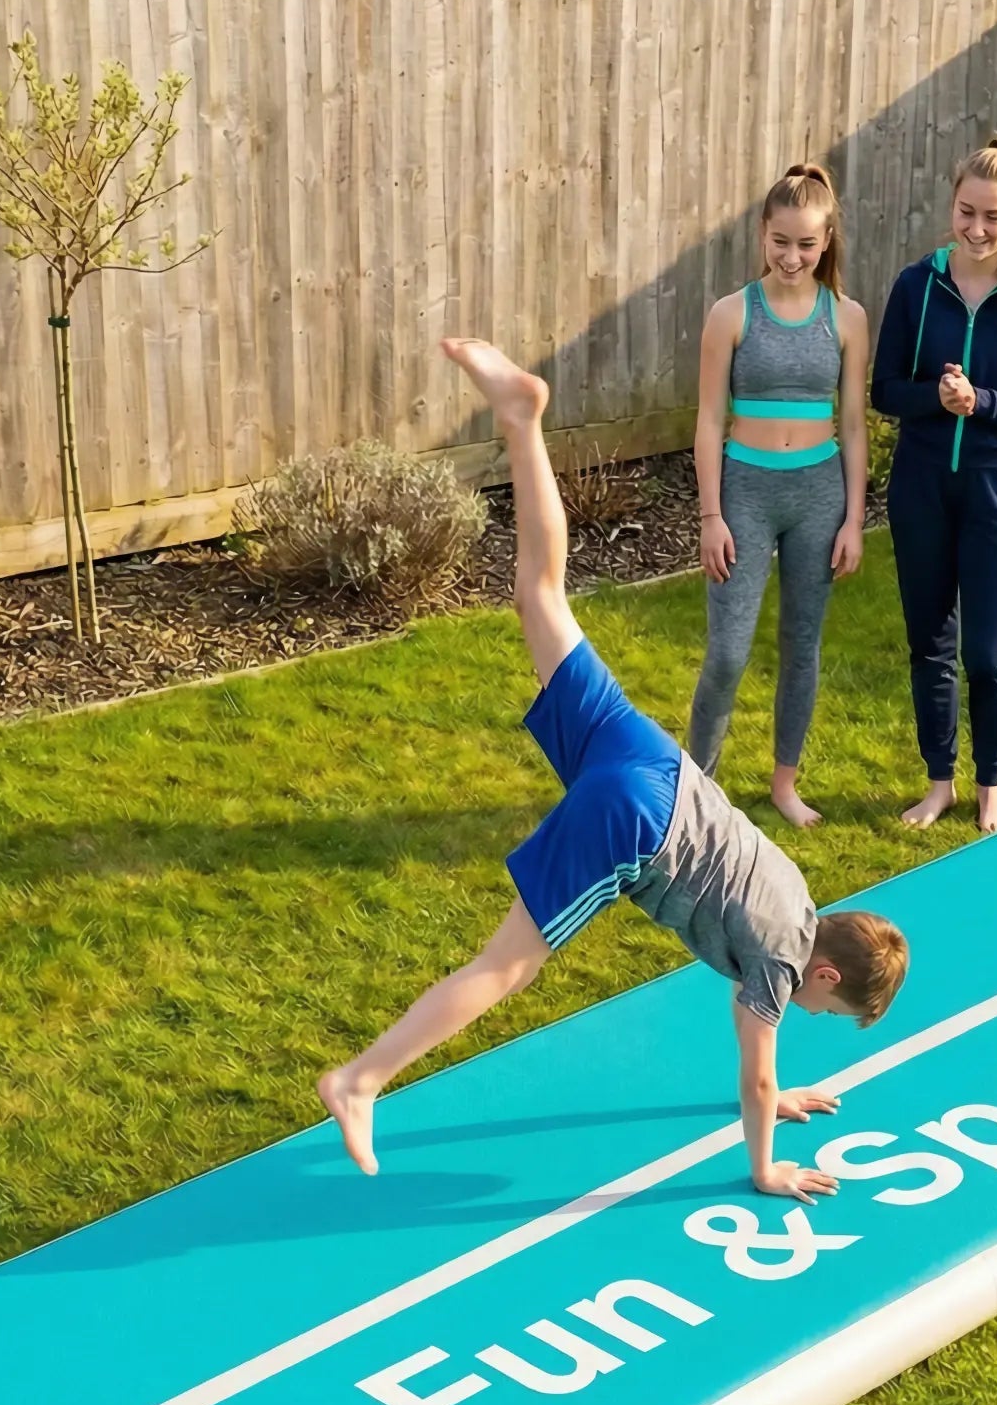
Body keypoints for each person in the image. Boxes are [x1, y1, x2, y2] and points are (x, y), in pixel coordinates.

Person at [319, 338, 909, 1202]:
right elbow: (752, 1074)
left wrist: (781, 1096)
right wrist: (764, 1165)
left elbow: (764, 1063)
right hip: (638, 823)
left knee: (543, 595)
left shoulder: (797, 891)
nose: (809, 1014)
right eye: (830, 1011)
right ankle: (359, 1080)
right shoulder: (783, 968)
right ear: (824, 977)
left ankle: (523, 417)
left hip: (648, 756)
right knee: (507, 965)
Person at [871, 132, 997, 834]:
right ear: (950, 205)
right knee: (930, 641)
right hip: (922, 484)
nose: (977, 229)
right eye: (966, 212)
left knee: (987, 653)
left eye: (993, 217)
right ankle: (939, 784)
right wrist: (939, 397)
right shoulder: (915, 286)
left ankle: (991, 787)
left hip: (996, 491)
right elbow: (886, 389)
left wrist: (982, 402)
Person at [689, 164, 870, 828]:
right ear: (762, 235)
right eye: (781, 242)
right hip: (746, 493)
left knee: (803, 642)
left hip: (818, 495)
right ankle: (697, 788)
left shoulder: (847, 320)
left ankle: (784, 783)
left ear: (826, 244)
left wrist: (854, 516)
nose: (792, 258)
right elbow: (709, 420)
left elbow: (853, 425)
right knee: (728, 650)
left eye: (807, 245)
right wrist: (711, 515)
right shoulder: (730, 314)